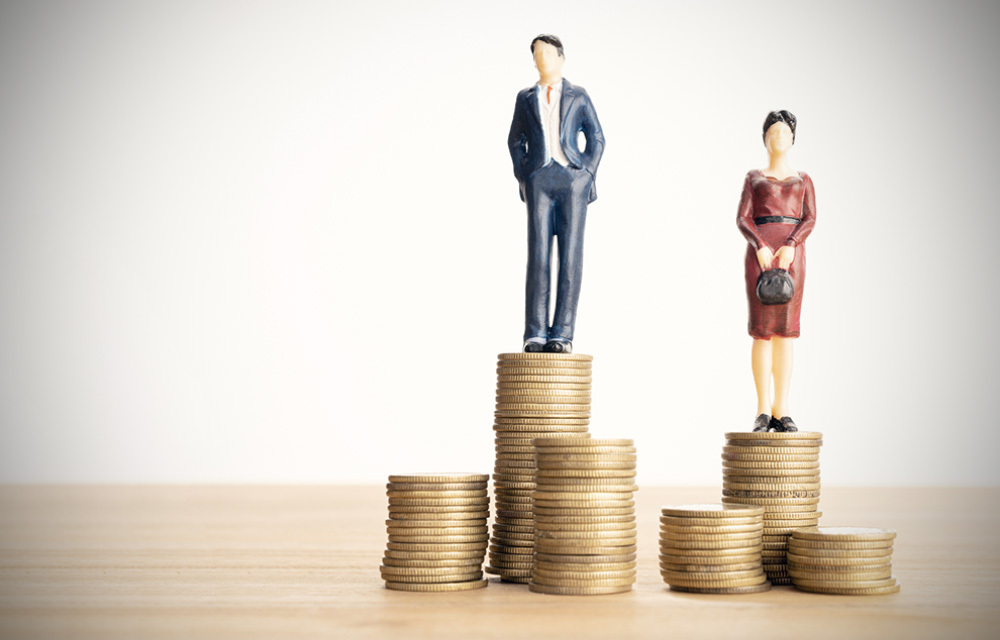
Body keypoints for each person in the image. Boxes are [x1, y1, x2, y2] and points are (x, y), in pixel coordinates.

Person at [508, 34, 605, 354]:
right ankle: (535, 331)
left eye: (548, 53)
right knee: (537, 255)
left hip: (571, 179)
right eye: (537, 54)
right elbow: (515, 140)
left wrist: (586, 174)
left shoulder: (579, 95)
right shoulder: (524, 98)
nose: (542, 60)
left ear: (561, 58)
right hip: (539, 178)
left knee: (570, 256)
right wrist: (525, 174)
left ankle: (562, 333)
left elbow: (597, 138)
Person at [736, 110, 816, 432]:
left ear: (793, 138)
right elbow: (743, 218)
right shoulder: (753, 177)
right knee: (762, 332)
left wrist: (792, 243)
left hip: (791, 257)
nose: (779, 137)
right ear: (765, 138)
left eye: (785, 132)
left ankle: (782, 409)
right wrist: (760, 245)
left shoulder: (804, 179)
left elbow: (809, 218)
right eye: (774, 132)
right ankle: (762, 409)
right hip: (760, 258)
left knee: (786, 333)